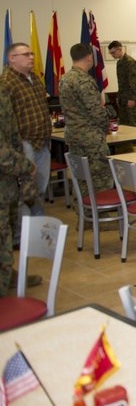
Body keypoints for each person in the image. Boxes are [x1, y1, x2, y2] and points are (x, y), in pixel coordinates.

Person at [1, 43, 50, 224]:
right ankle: (22, 235)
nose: (31, 57)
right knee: (25, 190)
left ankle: (37, 229)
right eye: (26, 54)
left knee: (40, 189)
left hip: (42, 142)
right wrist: (18, 144)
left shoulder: (35, 78)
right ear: (12, 58)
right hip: (24, 144)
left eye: (32, 53)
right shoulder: (6, 82)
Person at [59, 43, 113, 193]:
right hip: (91, 139)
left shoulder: (65, 78)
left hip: (73, 134)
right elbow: (96, 111)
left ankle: (84, 210)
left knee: (81, 177)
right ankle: (100, 212)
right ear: (89, 57)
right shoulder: (84, 80)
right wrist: (104, 127)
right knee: (100, 177)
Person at [0, 87, 35, 296]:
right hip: (6, 178)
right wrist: (26, 166)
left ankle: (8, 275)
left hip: (7, 185)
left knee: (6, 236)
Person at [108, 41, 136, 127]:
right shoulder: (119, 63)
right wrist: (118, 96)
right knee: (124, 124)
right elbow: (121, 82)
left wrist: (132, 99)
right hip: (123, 98)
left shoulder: (130, 62)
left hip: (131, 98)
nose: (112, 55)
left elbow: (135, 82)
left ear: (119, 49)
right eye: (110, 53)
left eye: (113, 52)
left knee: (135, 124)